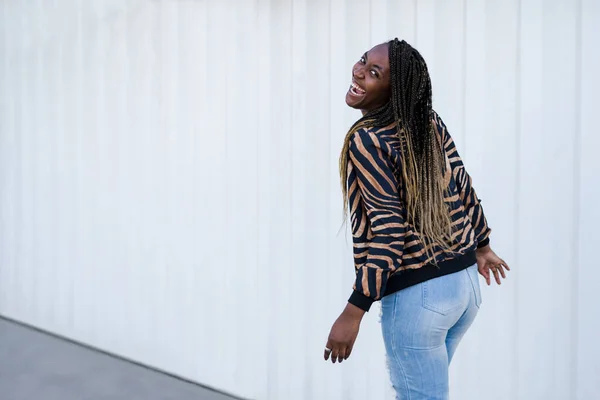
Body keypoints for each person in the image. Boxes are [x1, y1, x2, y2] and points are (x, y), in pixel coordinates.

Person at [323, 38, 510, 399]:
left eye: (374, 73)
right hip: (464, 288)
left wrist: (353, 313)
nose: (359, 72)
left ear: (394, 92)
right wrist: (482, 245)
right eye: (363, 61)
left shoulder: (368, 140)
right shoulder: (425, 120)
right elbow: (460, 181)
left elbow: (389, 234)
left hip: (421, 298)